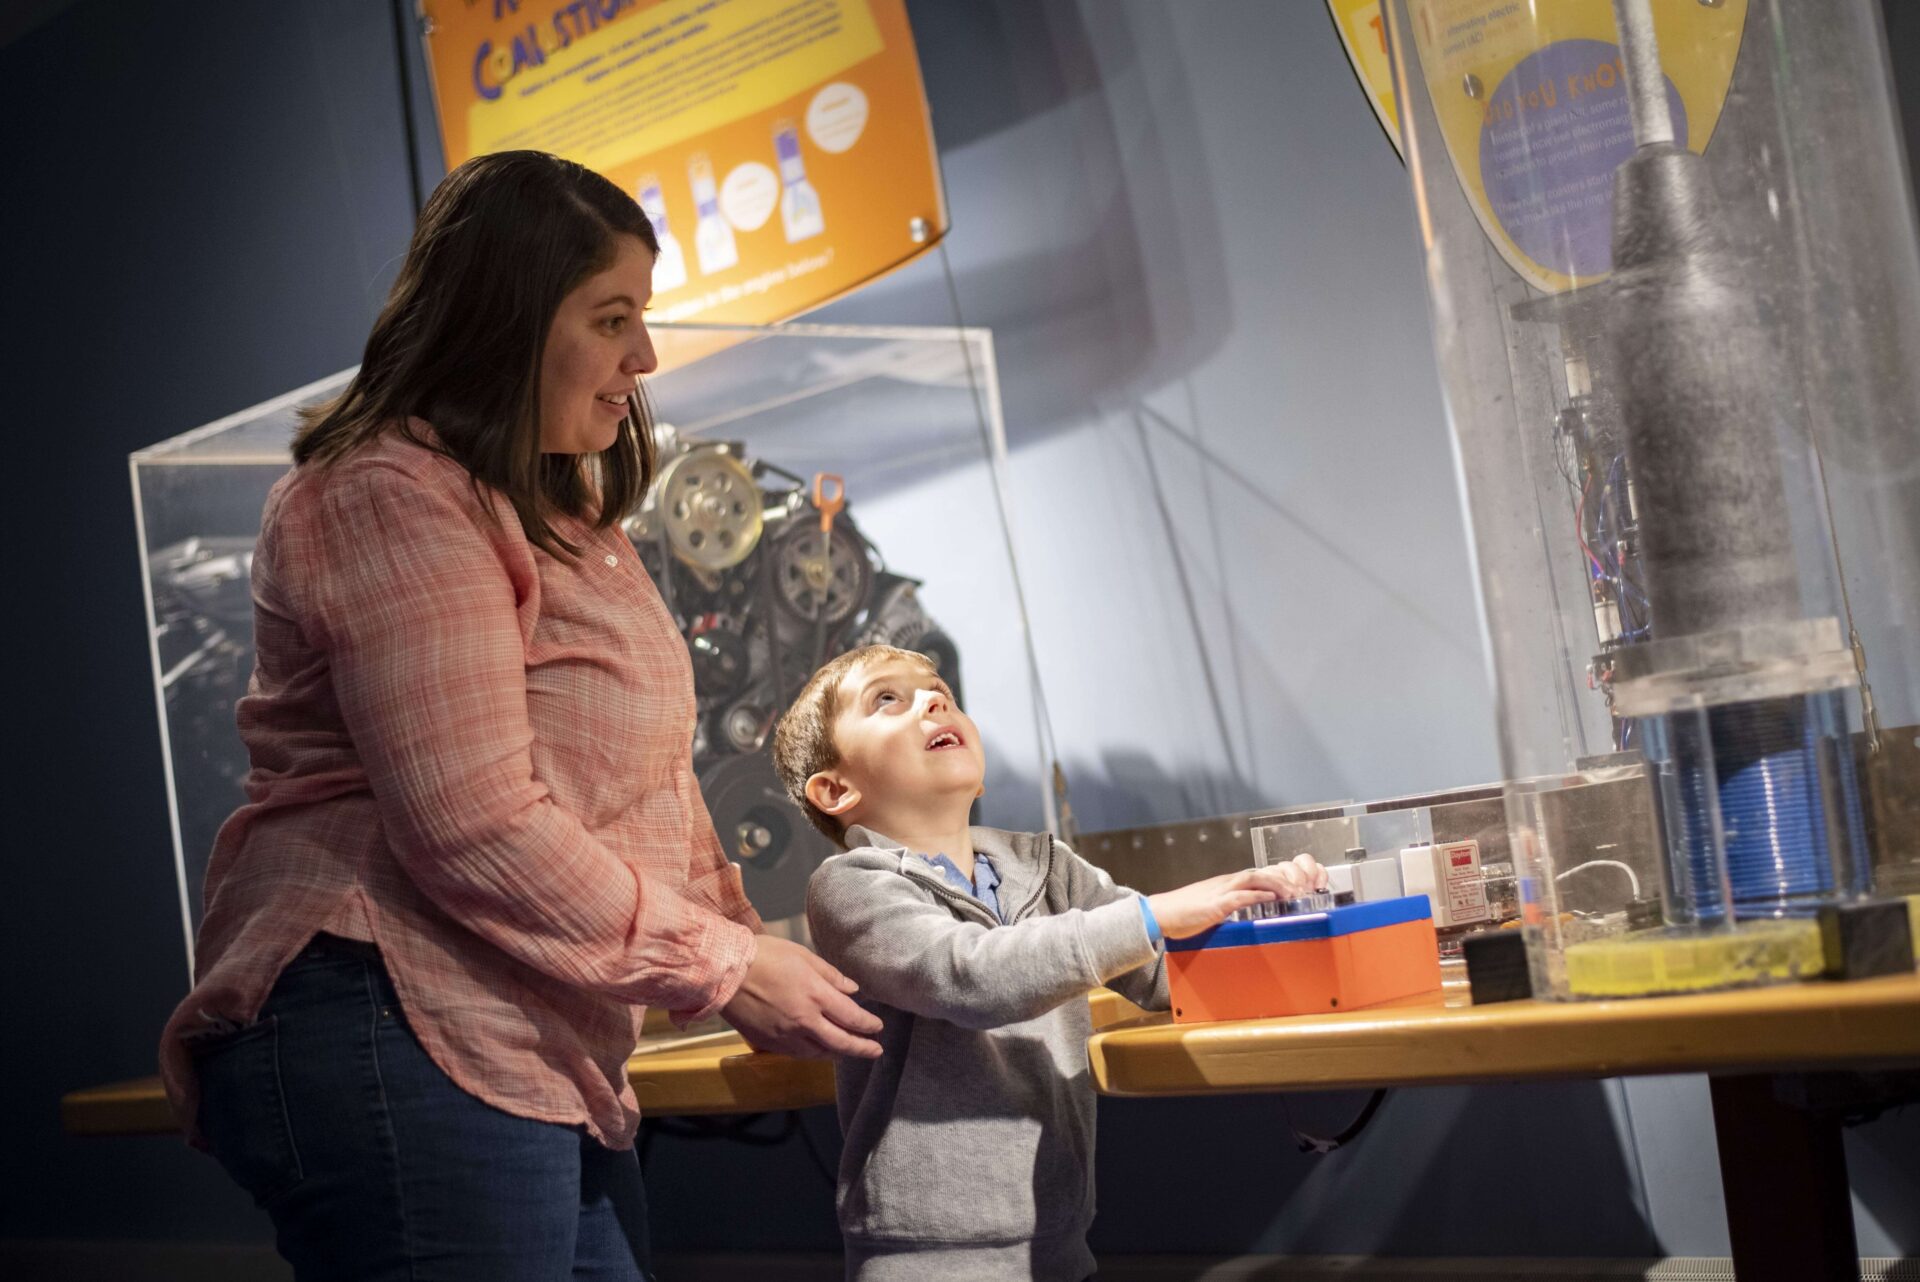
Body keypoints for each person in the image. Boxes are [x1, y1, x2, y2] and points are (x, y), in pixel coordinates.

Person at [158, 149, 884, 1282]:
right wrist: (725, 967)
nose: (643, 359)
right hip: (393, 1016)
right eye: (610, 319)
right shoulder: (384, 492)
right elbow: (473, 821)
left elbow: (655, 790)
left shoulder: (562, 515)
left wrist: (764, 948)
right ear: (502, 317)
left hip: (517, 1042)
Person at [773, 644, 1328, 1280]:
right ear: (836, 789)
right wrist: (1152, 916)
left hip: (1062, 1248)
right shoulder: (850, 886)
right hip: (928, 1262)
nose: (932, 701)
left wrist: (1285, 917)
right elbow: (971, 976)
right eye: (887, 700)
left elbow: (1161, 974)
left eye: (940, 693)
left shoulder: (1047, 866)